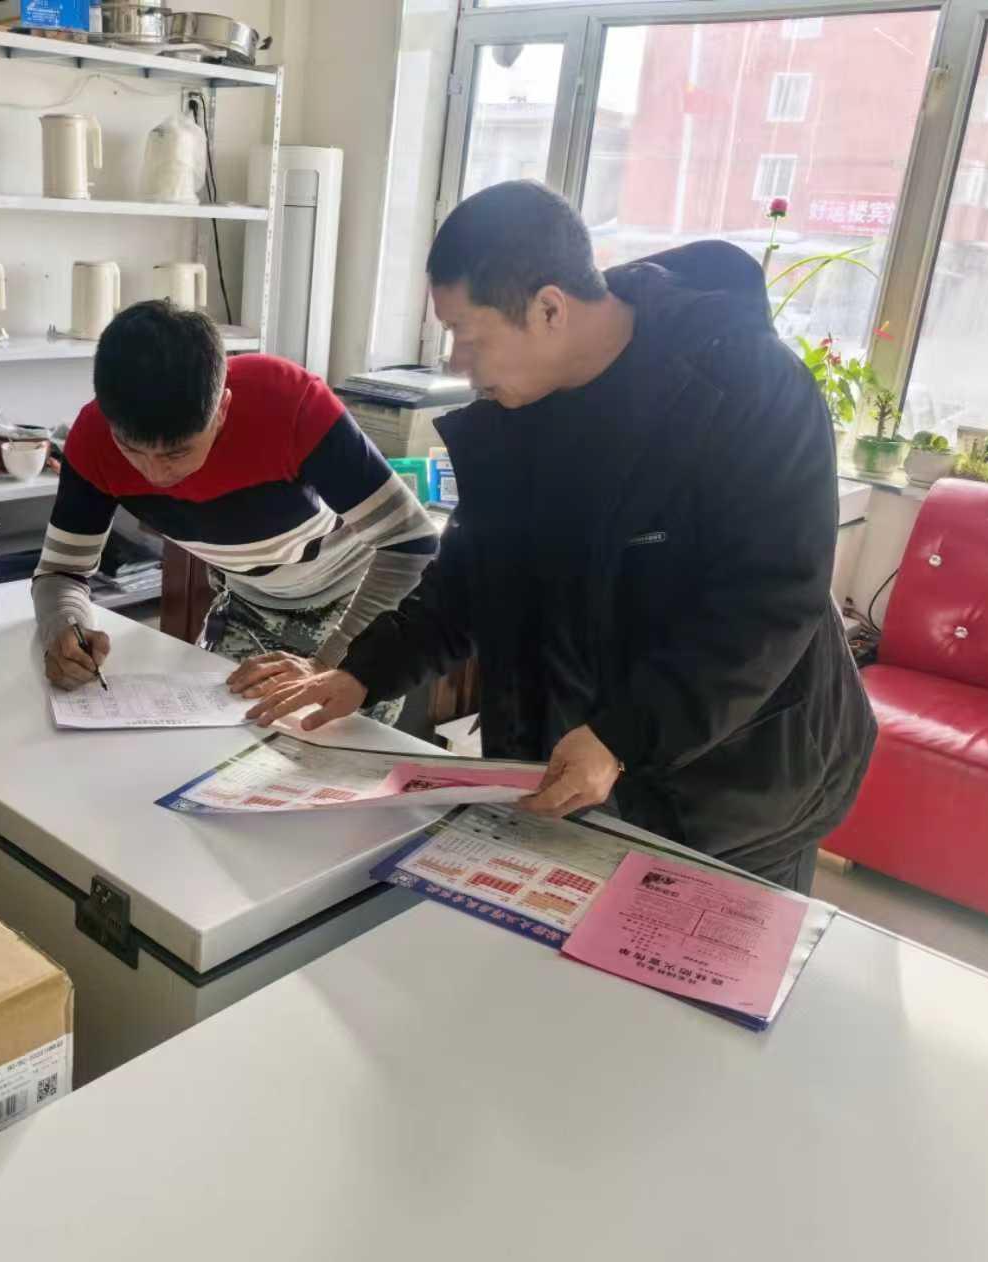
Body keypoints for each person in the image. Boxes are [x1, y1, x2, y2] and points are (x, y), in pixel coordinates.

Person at [233, 180, 876, 892]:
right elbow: (470, 580)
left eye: (467, 335)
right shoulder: (522, 410)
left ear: (548, 308)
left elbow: (768, 604)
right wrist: (363, 672)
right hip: (583, 765)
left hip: (741, 784)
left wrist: (623, 738)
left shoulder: (749, 388)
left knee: (691, 955)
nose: (456, 362)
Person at [32, 300, 439, 722]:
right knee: (218, 745)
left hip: (358, 606)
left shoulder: (290, 404)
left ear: (222, 409)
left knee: (333, 753)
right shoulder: (94, 438)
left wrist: (328, 661)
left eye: (177, 453)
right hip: (247, 604)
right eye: (131, 450)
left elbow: (413, 543)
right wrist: (65, 626)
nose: (155, 474)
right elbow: (61, 572)